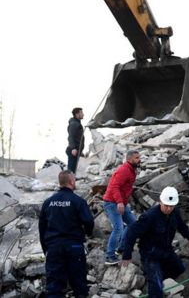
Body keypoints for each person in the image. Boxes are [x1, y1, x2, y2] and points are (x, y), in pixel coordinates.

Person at [121, 187, 189, 298]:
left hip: (166, 250)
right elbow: (131, 233)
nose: (169, 208)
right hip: (150, 254)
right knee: (156, 287)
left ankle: (157, 279)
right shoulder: (149, 216)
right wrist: (127, 254)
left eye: (171, 206)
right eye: (166, 205)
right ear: (161, 202)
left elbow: (181, 225)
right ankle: (154, 284)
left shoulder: (174, 212)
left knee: (179, 268)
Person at [39, 170, 94, 298]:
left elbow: (42, 228)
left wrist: (46, 249)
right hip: (74, 246)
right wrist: (87, 234)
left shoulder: (48, 202)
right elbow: (89, 221)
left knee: (54, 287)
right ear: (71, 181)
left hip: (54, 248)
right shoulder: (78, 201)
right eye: (74, 180)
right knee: (79, 284)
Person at [102, 150, 141, 265]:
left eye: (139, 157)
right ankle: (110, 256)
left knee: (133, 224)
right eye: (137, 158)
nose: (139, 159)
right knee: (118, 228)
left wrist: (124, 202)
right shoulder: (124, 170)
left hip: (121, 203)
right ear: (129, 159)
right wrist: (119, 202)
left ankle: (122, 247)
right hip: (112, 202)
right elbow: (114, 186)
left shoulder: (132, 169)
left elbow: (126, 188)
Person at [66, 107, 85, 173]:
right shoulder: (74, 124)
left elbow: (78, 138)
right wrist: (73, 148)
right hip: (73, 151)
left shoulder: (77, 123)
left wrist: (80, 151)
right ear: (77, 114)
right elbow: (71, 136)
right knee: (71, 171)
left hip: (77, 151)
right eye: (81, 113)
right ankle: (68, 183)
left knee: (74, 171)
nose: (83, 114)